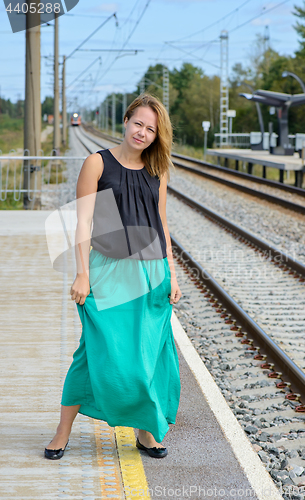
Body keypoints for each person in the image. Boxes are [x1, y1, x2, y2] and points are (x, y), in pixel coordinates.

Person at [44, 93, 182, 461]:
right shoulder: (97, 163)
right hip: (107, 271)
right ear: (126, 121)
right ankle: (62, 432)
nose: (143, 132)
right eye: (138, 123)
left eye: (151, 129)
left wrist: (171, 273)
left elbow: (162, 224)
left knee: (149, 353)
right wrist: (82, 274)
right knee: (93, 352)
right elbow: (83, 223)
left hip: (151, 272)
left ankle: (146, 433)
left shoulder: (158, 169)